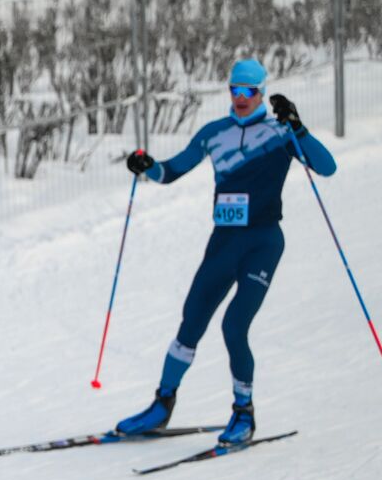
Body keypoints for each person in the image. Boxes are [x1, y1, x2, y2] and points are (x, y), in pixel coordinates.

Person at [115, 58, 336, 444]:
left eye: (248, 91)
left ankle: (243, 414)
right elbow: (172, 170)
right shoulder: (214, 132)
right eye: (234, 90)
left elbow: (327, 167)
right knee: (191, 322)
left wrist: (298, 127)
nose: (240, 98)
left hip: (263, 243)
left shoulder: (280, 132)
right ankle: (161, 406)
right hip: (224, 243)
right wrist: (147, 165)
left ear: (261, 92)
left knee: (234, 325)